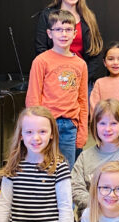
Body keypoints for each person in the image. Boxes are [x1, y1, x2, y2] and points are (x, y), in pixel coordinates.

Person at [26, 9, 88, 167]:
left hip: (70, 127)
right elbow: (33, 97)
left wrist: (82, 130)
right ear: (49, 33)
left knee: (67, 170)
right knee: (43, 167)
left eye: (68, 30)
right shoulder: (41, 61)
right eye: (58, 30)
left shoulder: (80, 64)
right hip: (46, 124)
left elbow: (83, 100)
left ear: (74, 34)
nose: (63, 34)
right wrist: (35, 127)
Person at [34, 0, 104, 87]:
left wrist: (83, 78)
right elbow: (40, 48)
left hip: (82, 79)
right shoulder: (47, 15)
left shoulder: (89, 17)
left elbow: (95, 52)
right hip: (54, 79)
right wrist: (56, 75)